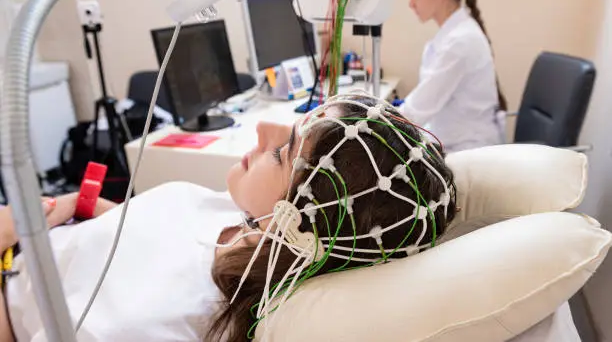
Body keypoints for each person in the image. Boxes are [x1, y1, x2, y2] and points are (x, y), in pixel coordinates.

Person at [0, 95, 457, 341]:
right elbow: (142, 235)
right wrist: (69, 208)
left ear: (295, 224)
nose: (263, 131)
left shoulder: (149, 317)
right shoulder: (243, 224)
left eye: (282, 153)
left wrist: (10, 241)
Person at [399, 0, 508, 152]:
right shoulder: (455, 34)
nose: (410, 3)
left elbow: (414, 112)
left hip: (468, 153)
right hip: (453, 142)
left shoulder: (460, 42)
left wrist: (370, 121)